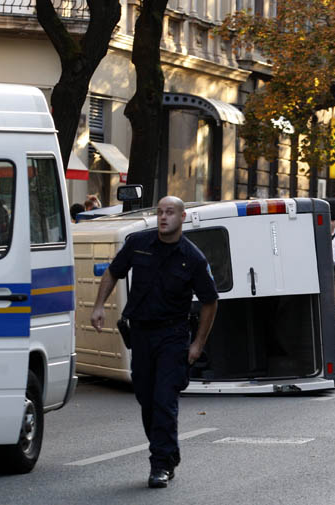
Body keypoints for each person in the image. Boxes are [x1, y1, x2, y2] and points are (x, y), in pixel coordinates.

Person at [90, 196, 218, 489]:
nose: (163, 218)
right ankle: (168, 452)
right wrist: (99, 306)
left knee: (163, 400)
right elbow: (113, 272)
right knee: (146, 400)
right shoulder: (138, 243)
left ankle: (160, 464)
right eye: (160, 212)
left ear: (182, 217)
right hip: (142, 335)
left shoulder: (193, 257)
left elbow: (210, 302)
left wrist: (197, 344)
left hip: (173, 336)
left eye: (170, 213)